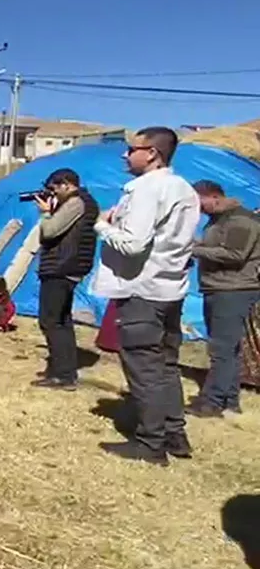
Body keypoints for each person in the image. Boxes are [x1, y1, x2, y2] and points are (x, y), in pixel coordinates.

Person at [90, 127, 199, 466]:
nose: (125, 155)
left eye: (131, 149)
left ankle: (151, 444)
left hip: (142, 289)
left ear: (151, 153)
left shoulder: (148, 189)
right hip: (169, 290)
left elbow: (134, 243)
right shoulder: (185, 189)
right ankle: (174, 434)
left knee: (144, 366)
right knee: (166, 365)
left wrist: (102, 226)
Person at [187, 180, 260, 418]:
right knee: (229, 348)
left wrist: (193, 250)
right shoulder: (219, 219)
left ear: (213, 197)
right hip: (219, 287)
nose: (196, 208)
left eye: (198, 201)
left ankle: (212, 402)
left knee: (221, 348)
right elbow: (217, 246)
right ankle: (230, 400)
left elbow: (235, 254)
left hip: (233, 289)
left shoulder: (240, 220)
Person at [31, 168, 99, 391]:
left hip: (62, 266)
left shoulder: (75, 203)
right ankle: (62, 369)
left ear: (67, 184)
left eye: (54, 188)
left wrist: (46, 213)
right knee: (61, 320)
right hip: (67, 266)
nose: (53, 193)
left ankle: (63, 375)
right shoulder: (80, 202)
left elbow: (50, 230)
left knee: (51, 320)